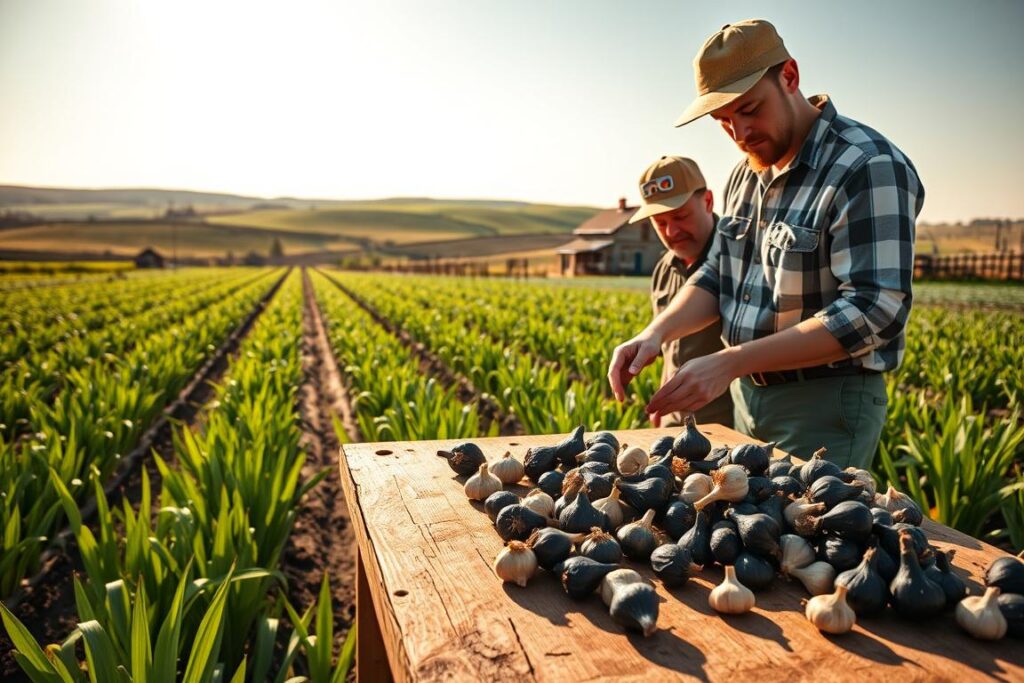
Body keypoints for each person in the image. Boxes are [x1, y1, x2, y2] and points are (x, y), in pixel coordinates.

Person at [607, 19, 924, 470]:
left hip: (823, 404)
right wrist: (655, 333)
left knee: (808, 533)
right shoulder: (746, 172)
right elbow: (718, 274)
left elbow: (876, 309)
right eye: (723, 121)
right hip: (746, 398)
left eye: (750, 109)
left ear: (790, 77)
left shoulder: (866, 164)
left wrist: (729, 362)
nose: (739, 133)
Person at [628, 155, 733, 428]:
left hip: (727, 428)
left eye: (680, 216)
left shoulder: (740, 259)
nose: (671, 231)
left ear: (708, 202)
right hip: (674, 427)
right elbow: (670, 350)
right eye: (659, 223)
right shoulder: (664, 268)